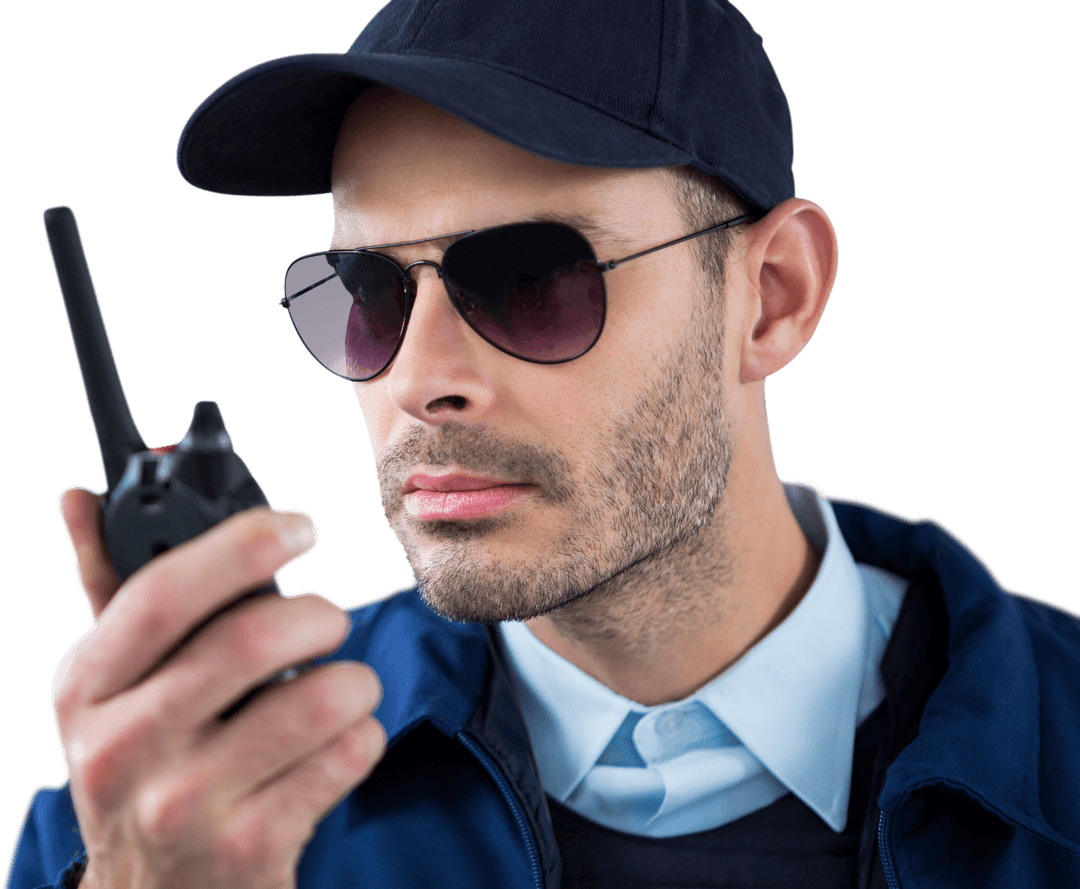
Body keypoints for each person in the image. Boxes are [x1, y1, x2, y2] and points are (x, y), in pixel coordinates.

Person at [7, 1, 1080, 887]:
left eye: (529, 280)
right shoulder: (149, 828)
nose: (421, 380)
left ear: (771, 299)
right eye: (365, 294)